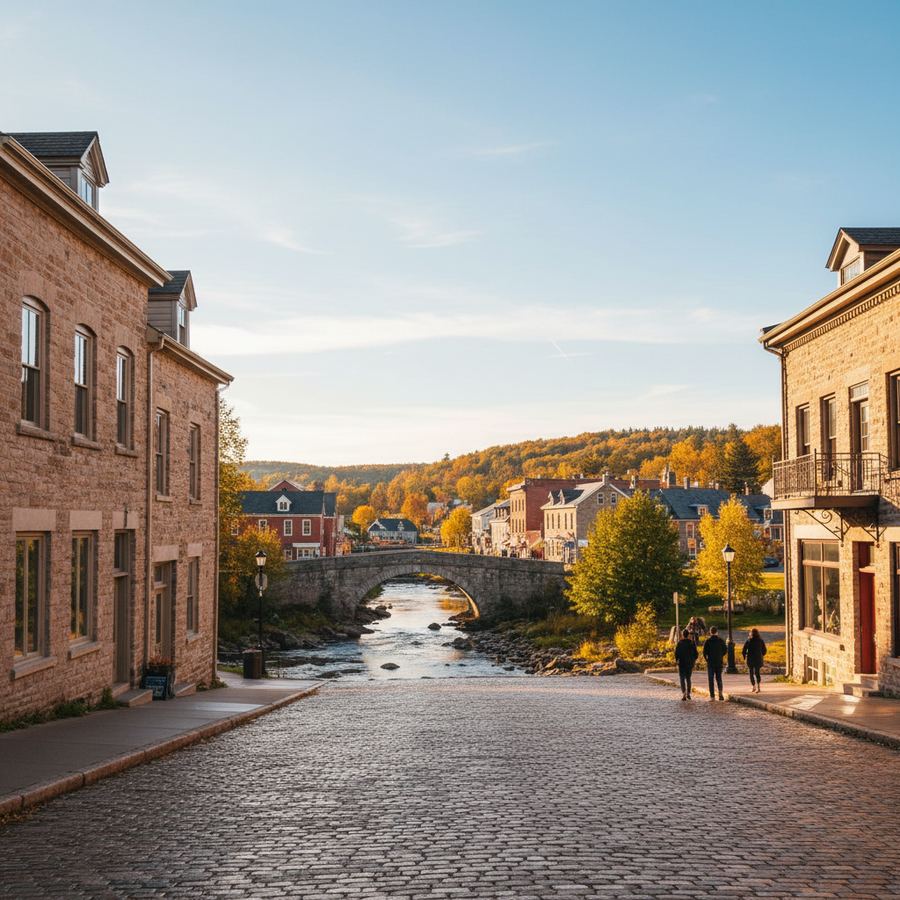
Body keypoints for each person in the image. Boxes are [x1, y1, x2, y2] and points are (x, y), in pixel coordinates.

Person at [702, 626, 727, 701]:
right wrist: (720, 655)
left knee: (711, 679)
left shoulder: (708, 641)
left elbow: (704, 652)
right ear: (717, 632)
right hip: (719, 662)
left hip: (711, 663)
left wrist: (707, 659)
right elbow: (725, 650)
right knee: (719, 678)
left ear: (710, 632)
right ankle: (720, 694)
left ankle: (712, 696)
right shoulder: (721, 640)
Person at [674, 628, 698, 701]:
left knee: (682, 678)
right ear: (688, 635)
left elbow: (676, 653)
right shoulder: (692, 643)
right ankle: (688, 693)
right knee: (688, 678)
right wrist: (693, 660)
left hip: (681, 663)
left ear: (682, 635)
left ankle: (684, 692)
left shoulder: (680, 643)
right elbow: (696, 654)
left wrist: (677, 660)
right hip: (689, 663)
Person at [742, 627, 767, 692]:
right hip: (758, 659)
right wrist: (761, 655)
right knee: (757, 673)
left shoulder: (749, 640)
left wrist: (744, 657)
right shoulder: (760, 640)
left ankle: (753, 686)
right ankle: (758, 686)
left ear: (751, 633)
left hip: (750, 659)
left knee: (751, 673)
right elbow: (764, 650)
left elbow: (744, 650)